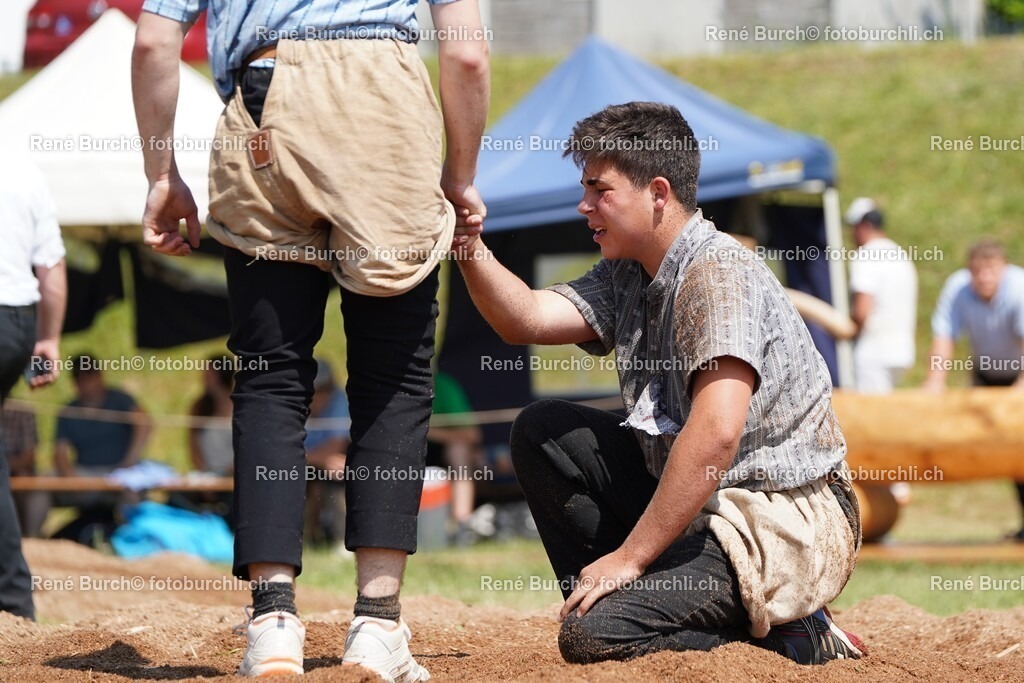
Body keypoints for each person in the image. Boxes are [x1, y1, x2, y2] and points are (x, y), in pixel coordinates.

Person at [132, 0, 489, 678]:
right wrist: (460, 174)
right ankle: (378, 625)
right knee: (394, 374)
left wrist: (161, 176)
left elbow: (154, 43)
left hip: (263, 104)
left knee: (270, 376)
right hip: (382, 101)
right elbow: (466, 50)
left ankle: (272, 622)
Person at [452, 102, 865, 665]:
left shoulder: (716, 273)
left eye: (600, 189)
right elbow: (522, 317)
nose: (584, 205)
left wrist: (631, 558)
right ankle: (623, 605)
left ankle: (793, 631)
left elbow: (717, 433)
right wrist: (469, 244)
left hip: (781, 521)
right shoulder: (631, 270)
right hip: (707, 502)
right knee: (544, 431)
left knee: (593, 639)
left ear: (659, 193)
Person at [0, 154, 66, 620]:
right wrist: (48, 339)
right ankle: (13, 600)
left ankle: (12, 598)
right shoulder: (24, 171)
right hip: (15, 322)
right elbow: (52, 271)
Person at [924, 240, 1024, 539]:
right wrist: (935, 381)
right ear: (970, 272)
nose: (985, 278)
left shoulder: (1019, 289)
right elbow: (944, 335)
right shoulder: (958, 289)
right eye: (978, 271)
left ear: (1003, 268)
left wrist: (1019, 391)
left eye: (991, 270)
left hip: (1019, 375)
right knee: (1010, 457)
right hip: (987, 374)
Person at [52, 355, 153, 544]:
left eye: (90, 376)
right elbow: (60, 453)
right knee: (40, 482)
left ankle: (131, 542)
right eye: (81, 378)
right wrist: (70, 478)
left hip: (120, 471)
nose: (87, 383)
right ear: (75, 382)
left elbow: (144, 423)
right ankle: (32, 540)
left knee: (133, 488)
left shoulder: (120, 400)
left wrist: (130, 460)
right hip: (84, 473)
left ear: (100, 375)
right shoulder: (69, 410)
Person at [845, 198, 917, 393]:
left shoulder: (865, 256)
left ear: (864, 226)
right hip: (901, 352)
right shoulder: (900, 254)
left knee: (872, 419)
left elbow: (862, 311)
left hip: (873, 353)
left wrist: (848, 329)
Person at [303, 358, 350, 552]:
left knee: (337, 471)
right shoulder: (296, 405)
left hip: (333, 464)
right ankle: (305, 540)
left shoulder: (340, 401)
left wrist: (310, 459)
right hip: (307, 464)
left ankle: (341, 540)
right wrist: (315, 459)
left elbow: (338, 445)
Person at [3, 407, 48, 538]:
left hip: (15, 473)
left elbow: (29, 456)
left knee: (24, 476)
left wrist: (5, 467)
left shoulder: (22, 414)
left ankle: (28, 536)